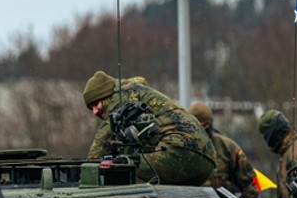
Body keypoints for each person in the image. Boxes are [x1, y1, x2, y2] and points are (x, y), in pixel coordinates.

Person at [83, 70, 215, 186]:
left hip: (180, 152)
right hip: (206, 161)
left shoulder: (121, 96)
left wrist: (86, 172)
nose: (95, 111)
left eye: (96, 104)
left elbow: (102, 141)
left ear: (106, 96)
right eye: (91, 108)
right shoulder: (136, 94)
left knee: (118, 172)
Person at [188, 101, 259, 198]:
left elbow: (250, 187)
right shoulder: (183, 149)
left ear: (207, 125)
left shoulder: (228, 148)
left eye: (201, 126)